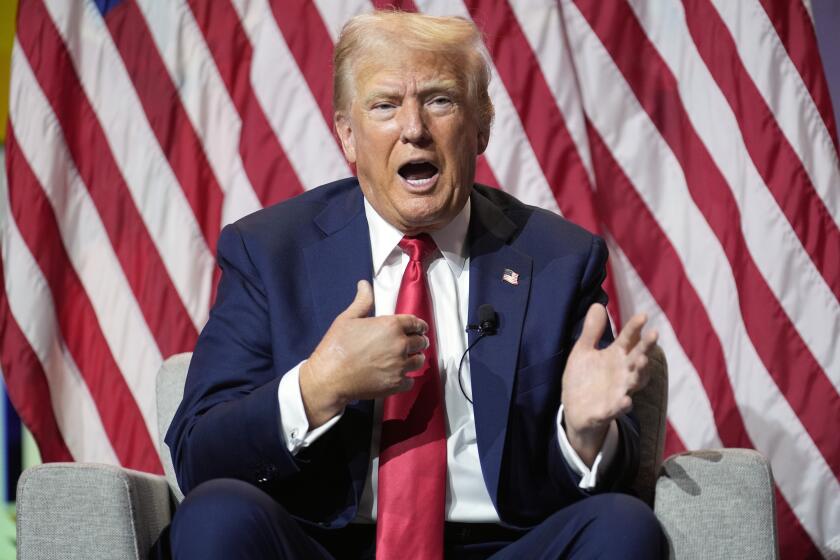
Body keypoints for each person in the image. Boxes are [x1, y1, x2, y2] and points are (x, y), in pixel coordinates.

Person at [162, 10, 664, 560]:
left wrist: (584, 435)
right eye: (384, 105)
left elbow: (596, 477)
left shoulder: (557, 260)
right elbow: (199, 453)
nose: (414, 128)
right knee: (216, 517)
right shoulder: (270, 251)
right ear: (348, 137)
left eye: (440, 100)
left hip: (498, 548)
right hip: (325, 546)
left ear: (481, 127)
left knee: (622, 527)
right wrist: (317, 387)